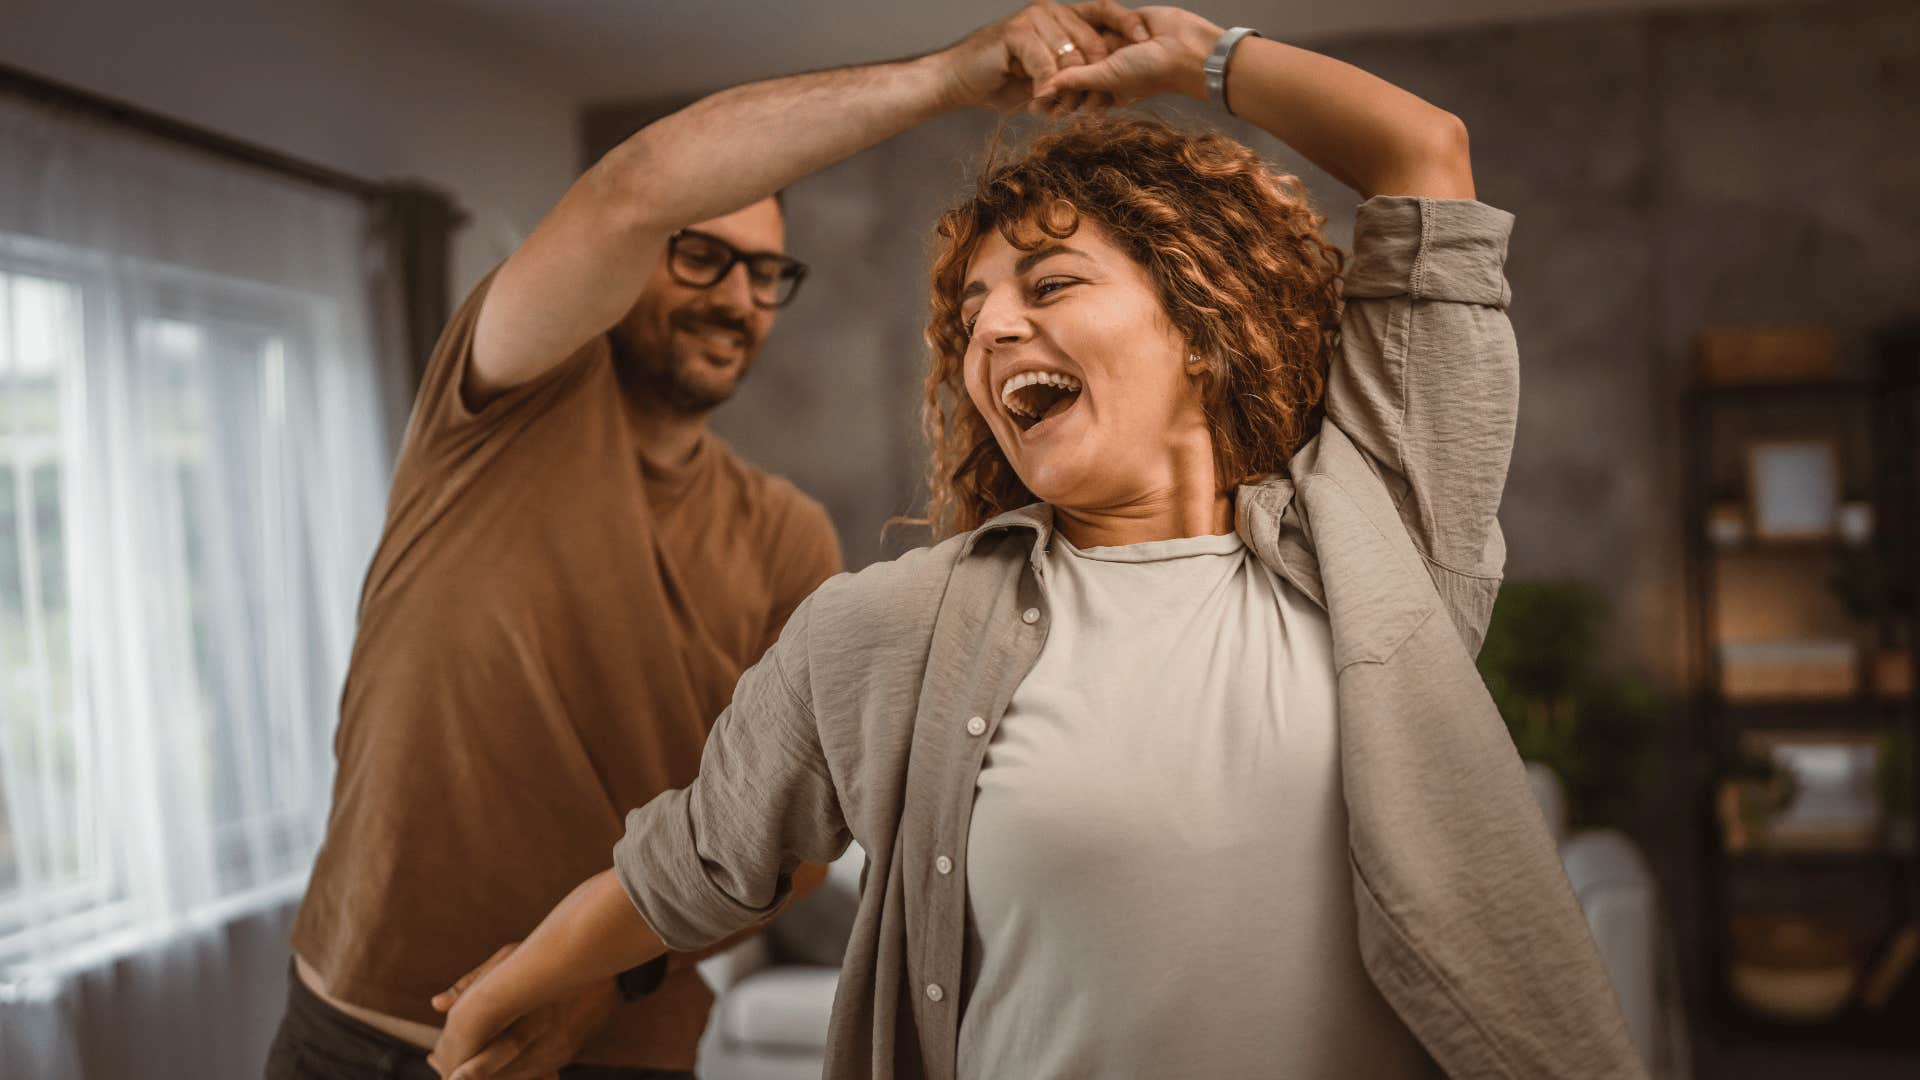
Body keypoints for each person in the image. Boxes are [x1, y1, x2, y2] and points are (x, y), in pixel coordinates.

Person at [427, 2, 1646, 1078]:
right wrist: (510, 986)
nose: (991, 334)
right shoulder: (889, 627)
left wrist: (1202, 58)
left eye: (1050, 286)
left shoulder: (1377, 535)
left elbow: (1422, 159)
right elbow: (689, 862)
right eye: (970, 315)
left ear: (1203, 322)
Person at [268, 47, 851, 1080]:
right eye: (702, 256)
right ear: (635, 258)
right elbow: (630, 189)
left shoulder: (787, 534)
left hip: (608, 1050)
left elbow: (799, 843)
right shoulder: (499, 403)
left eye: (767, 273)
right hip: (355, 1028)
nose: (738, 298)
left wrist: (610, 972)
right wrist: (961, 73)